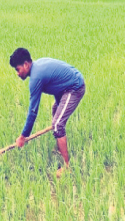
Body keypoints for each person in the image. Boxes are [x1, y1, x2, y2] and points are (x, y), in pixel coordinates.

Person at [9, 48, 86, 178]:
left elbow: (33, 111)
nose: (17, 73)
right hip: (66, 88)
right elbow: (57, 85)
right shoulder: (38, 67)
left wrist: (23, 136)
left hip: (75, 87)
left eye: (18, 69)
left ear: (26, 65)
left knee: (57, 124)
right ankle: (60, 147)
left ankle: (67, 167)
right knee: (55, 111)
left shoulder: (36, 77)